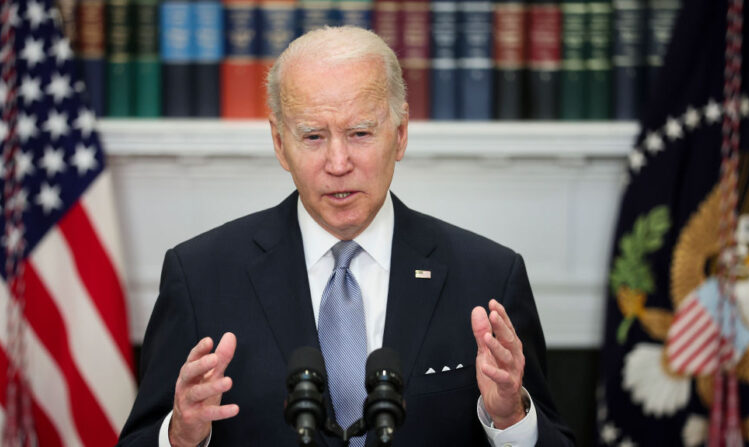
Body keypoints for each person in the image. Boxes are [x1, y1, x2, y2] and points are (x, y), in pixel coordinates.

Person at [117, 26, 574, 447]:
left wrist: (511, 418)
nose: (338, 163)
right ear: (279, 143)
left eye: (359, 133)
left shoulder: (489, 277)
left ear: (399, 135)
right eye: (313, 136)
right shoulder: (199, 277)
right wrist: (180, 435)